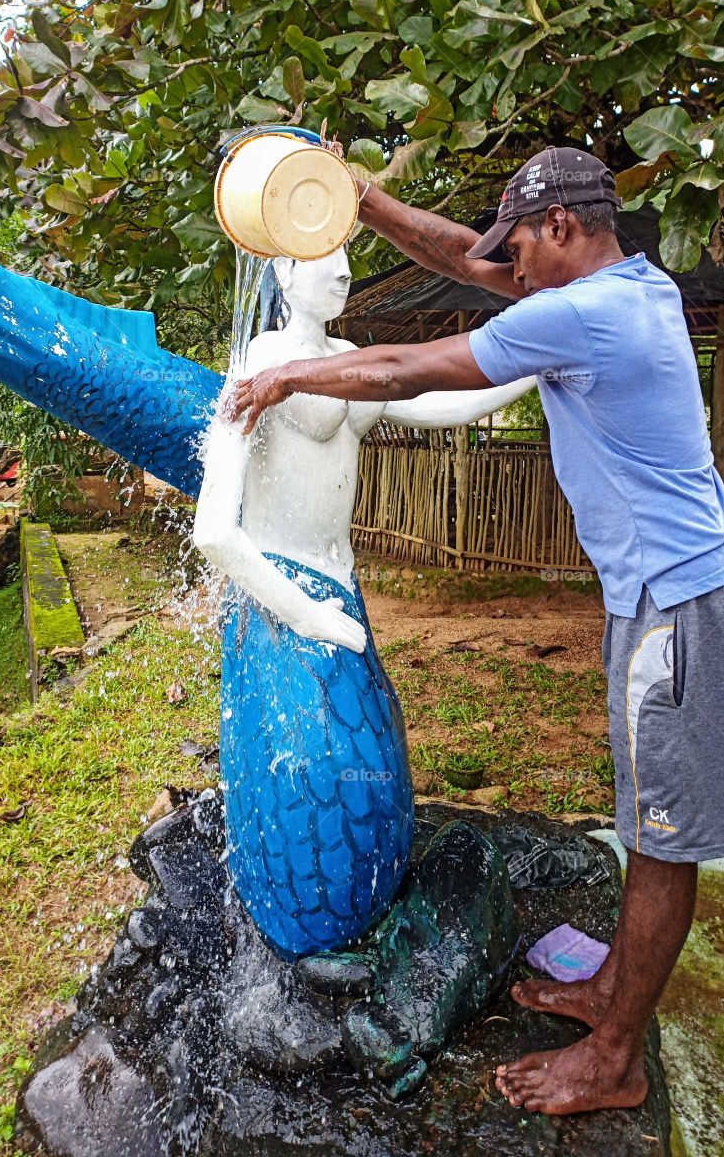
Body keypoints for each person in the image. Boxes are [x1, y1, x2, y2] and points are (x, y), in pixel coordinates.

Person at [227, 145, 724, 1115]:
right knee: (650, 815)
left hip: (682, 607)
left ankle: (614, 1056)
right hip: (661, 594)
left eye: (519, 243)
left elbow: (398, 368)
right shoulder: (623, 282)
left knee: (663, 838)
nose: (504, 265)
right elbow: (466, 262)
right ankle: (611, 990)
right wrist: (371, 201)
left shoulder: (584, 315)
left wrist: (288, 374)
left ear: (559, 227)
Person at [193, 247, 533, 959]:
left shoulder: (350, 357)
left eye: (349, 256)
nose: (344, 271)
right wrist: (305, 614)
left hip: (341, 589)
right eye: (324, 259)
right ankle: (300, 928)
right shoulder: (257, 362)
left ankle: (355, 915)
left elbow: (435, 401)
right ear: (282, 275)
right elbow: (214, 530)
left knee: (369, 763)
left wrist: (530, 364)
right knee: (311, 769)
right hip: (286, 597)